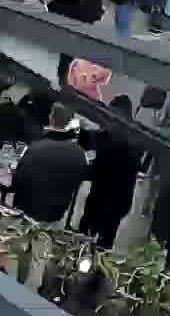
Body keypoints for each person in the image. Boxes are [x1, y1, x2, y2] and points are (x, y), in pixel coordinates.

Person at [76, 96, 144, 247]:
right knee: (107, 239)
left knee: (85, 233)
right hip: (121, 201)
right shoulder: (137, 137)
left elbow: (87, 141)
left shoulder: (110, 137)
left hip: (101, 198)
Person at [12, 104, 88, 224]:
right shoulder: (80, 154)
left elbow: (17, 181)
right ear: (69, 121)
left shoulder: (34, 148)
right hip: (56, 213)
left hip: (28, 212)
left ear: (51, 118)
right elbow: (78, 181)